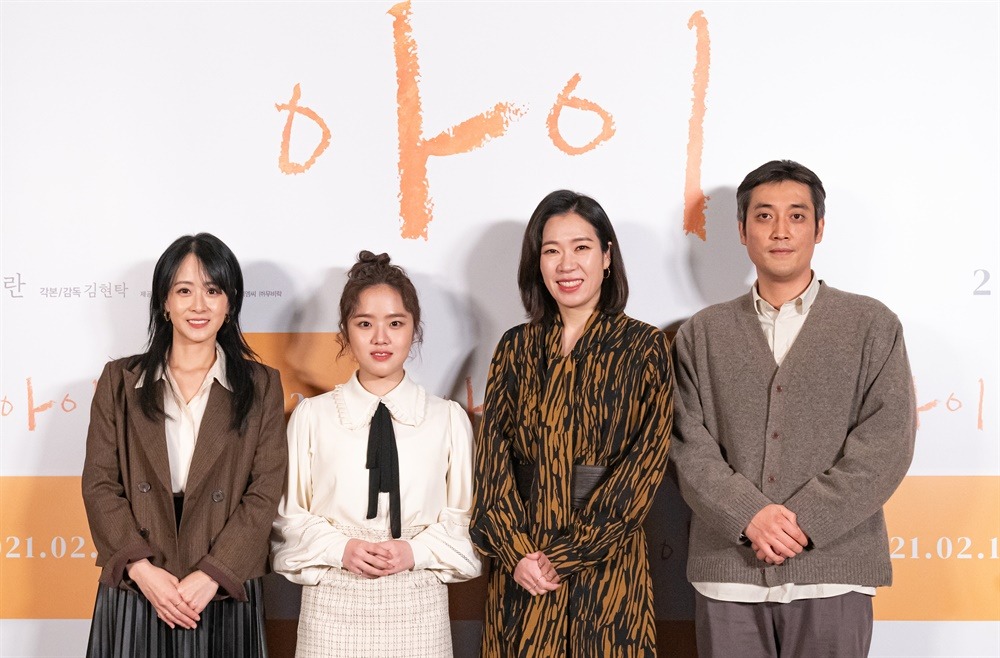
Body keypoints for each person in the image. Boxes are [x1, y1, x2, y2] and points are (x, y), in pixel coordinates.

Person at [670, 160, 917, 657]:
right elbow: (685, 445)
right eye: (764, 216)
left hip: (834, 573)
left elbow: (886, 444)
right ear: (742, 230)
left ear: (819, 228)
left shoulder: (872, 325)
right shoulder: (701, 333)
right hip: (729, 577)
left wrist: (803, 522)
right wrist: (749, 515)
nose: (780, 231)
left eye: (797, 216)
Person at [470, 190, 674, 657]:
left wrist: (565, 556)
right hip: (522, 567)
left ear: (607, 256)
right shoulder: (516, 347)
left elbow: (643, 467)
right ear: (537, 263)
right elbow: (492, 462)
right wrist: (517, 552)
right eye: (551, 250)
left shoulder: (644, 347)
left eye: (581, 247)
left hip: (607, 566)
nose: (567, 264)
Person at [82, 233, 287, 657]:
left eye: (212, 290)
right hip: (140, 580)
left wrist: (213, 573)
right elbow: (99, 484)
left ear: (230, 303)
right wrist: (142, 571)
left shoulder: (261, 386)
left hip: (222, 582)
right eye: (184, 291)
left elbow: (265, 490)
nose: (199, 305)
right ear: (164, 302)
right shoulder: (120, 382)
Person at [271, 251, 481, 658]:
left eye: (395, 323)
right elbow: (288, 520)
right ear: (345, 332)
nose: (380, 338)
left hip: (419, 608)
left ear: (414, 329)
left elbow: (467, 522)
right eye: (365, 324)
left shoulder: (447, 418)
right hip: (331, 607)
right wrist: (342, 549)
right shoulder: (312, 417)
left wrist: (414, 552)